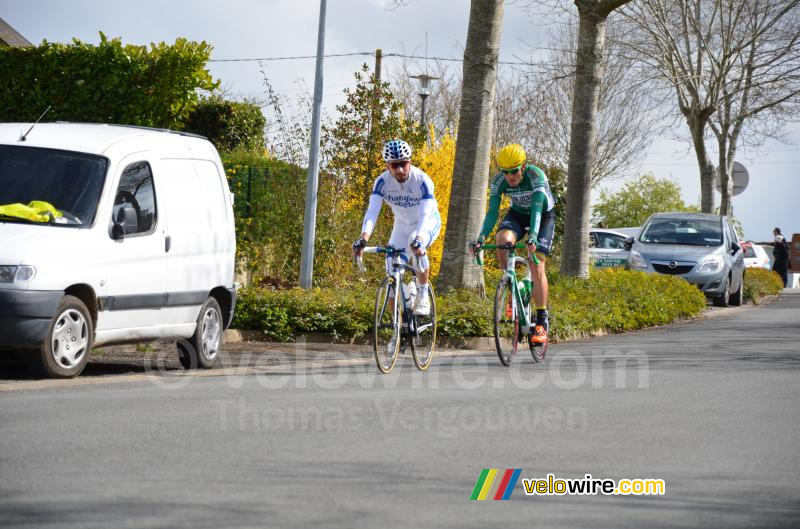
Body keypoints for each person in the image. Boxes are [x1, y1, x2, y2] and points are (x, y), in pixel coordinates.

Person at [472, 143, 556, 345]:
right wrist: (482, 237)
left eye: (514, 171)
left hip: (543, 217)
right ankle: (511, 288)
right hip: (517, 215)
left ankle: (542, 321)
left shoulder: (536, 177)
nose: (510, 176)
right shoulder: (499, 181)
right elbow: (493, 212)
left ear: (523, 166)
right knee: (502, 241)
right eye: (505, 172)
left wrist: (533, 236)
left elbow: (537, 208)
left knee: (536, 264)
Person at [353, 139, 442, 315]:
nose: (400, 169)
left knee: (414, 243)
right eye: (395, 165)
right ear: (388, 166)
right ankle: (397, 327)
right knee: (391, 264)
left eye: (403, 164)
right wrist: (363, 238)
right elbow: (372, 212)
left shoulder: (422, 181)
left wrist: (420, 238)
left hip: (427, 222)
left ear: (410, 162)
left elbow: (425, 214)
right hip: (401, 224)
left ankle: (423, 294)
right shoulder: (382, 182)